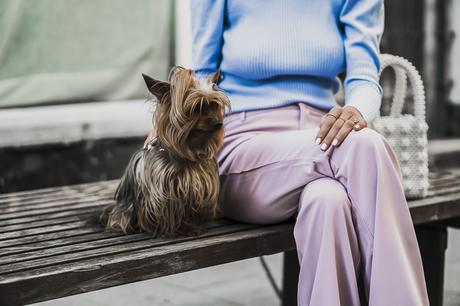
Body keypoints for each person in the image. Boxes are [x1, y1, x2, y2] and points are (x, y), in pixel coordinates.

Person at [148, 1, 430, 305]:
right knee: (366, 145)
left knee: (328, 201)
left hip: (323, 136)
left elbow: (364, 76)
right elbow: (203, 75)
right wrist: (166, 132)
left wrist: (354, 111)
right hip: (246, 144)